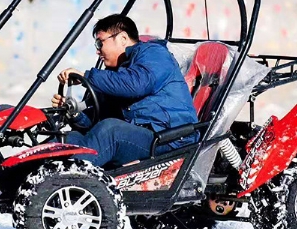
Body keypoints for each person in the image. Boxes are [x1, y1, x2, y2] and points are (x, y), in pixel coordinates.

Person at [51, 14, 198, 167]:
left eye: (100, 43)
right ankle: (36, 176)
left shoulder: (154, 54)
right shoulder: (116, 74)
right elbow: (97, 121)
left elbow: (137, 85)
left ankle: (70, 178)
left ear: (122, 38)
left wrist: (87, 76)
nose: (98, 51)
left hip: (170, 140)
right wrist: (74, 113)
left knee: (111, 130)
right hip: (142, 138)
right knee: (69, 139)